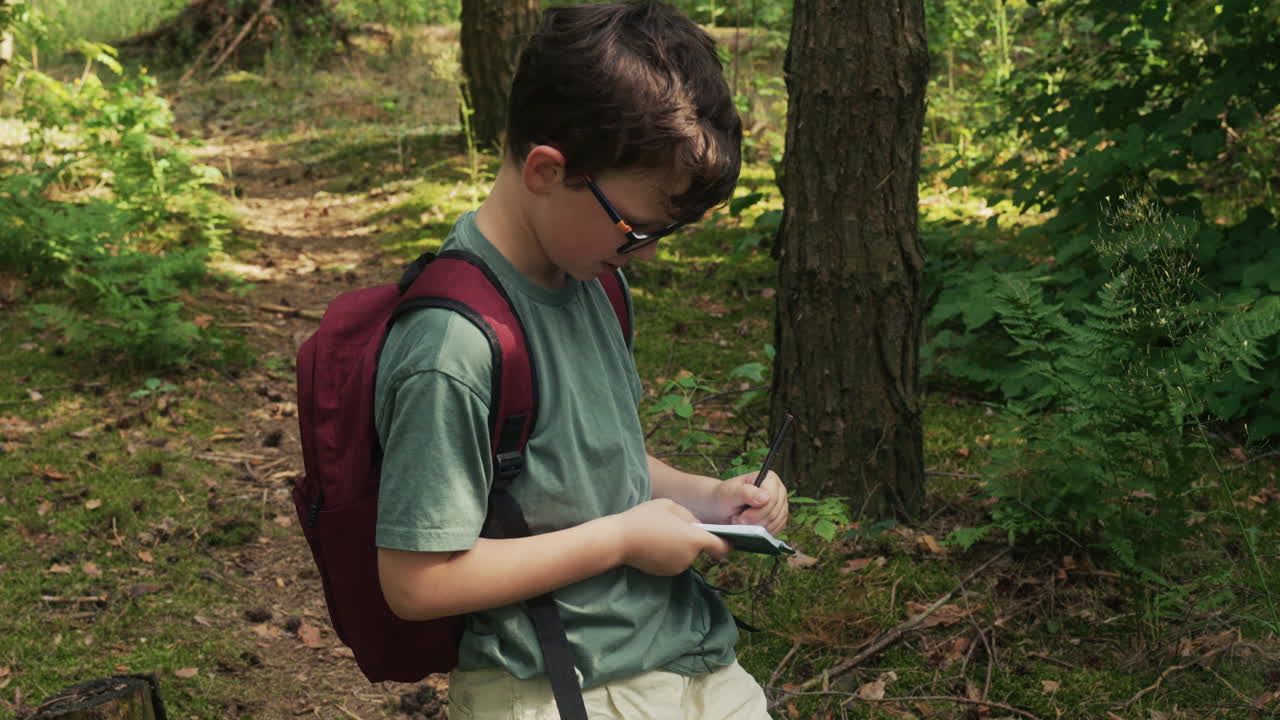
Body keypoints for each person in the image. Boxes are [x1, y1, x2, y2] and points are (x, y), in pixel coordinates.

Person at [373, 2, 788, 718]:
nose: (649, 253)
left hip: (687, 660)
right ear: (546, 170)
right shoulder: (453, 346)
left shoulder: (596, 279)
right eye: (639, 229)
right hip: (559, 687)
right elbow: (417, 581)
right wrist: (621, 540)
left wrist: (707, 499)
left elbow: (588, 462)